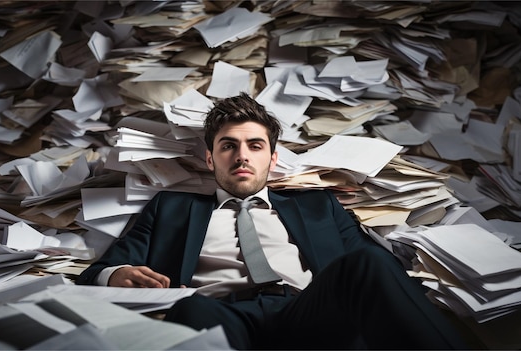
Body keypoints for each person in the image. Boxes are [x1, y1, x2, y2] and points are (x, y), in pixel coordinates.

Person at [77, 93, 466, 350]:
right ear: (211, 160)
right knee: (191, 312)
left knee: (371, 263)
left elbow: (373, 273)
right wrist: (115, 274)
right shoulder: (171, 208)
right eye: (228, 146)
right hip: (218, 314)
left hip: (309, 313)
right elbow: (97, 272)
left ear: (273, 159)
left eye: (255, 146)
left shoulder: (317, 206)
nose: (241, 156)